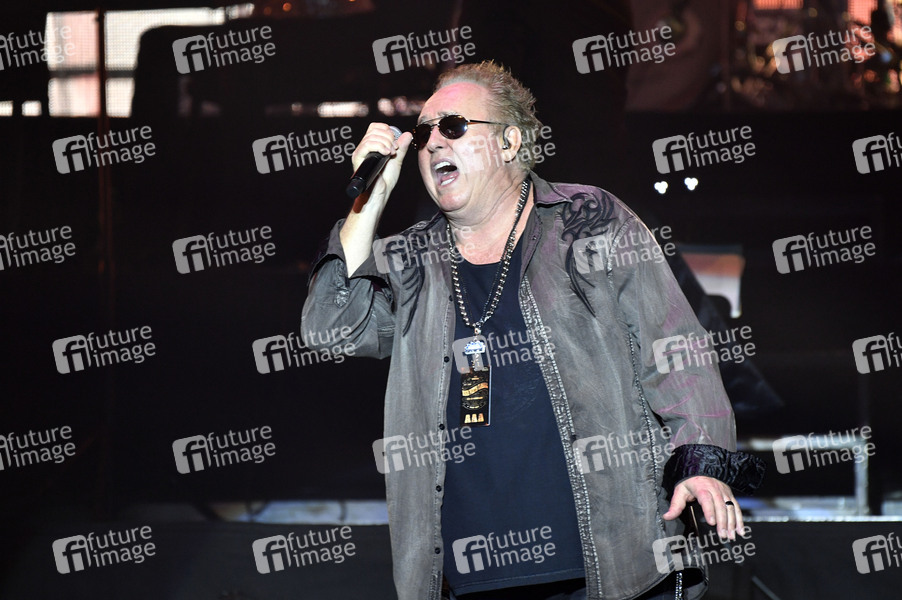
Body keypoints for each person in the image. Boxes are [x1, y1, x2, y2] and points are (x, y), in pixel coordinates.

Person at [302, 61, 765, 600]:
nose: (433, 143)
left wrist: (701, 463)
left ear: (509, 142)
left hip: (613, 567)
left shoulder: (588, 220)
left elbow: (676, 350)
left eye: (453, 126)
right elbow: (331, 329)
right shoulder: (413, 260)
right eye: (424, 133)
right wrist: (369, 201)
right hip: (470, 576)